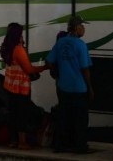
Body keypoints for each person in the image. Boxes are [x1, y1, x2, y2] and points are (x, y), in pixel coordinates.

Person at [46, 15, 94, 154]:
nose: (84, 29)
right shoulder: (81, 45)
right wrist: (90, 88)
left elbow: (49, 62)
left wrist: (57, 73)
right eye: (82, 26)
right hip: (79, 88)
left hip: (63, 87)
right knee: (80, 119)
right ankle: (80, 146)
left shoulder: (60, 42)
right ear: (76, 28)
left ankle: (60, 145)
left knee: (64, 117)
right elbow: (85, 69)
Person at [0, 22, 46, 150]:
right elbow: (29, 69)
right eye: (20, 34)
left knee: (13, 114)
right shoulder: (18, 49)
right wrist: (44, 67)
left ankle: (13, 141)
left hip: (10, 85)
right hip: (20, 87)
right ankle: (22, 142)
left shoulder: (6, 48)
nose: (22, 36)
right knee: (22, 114)